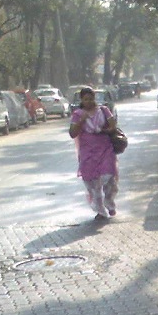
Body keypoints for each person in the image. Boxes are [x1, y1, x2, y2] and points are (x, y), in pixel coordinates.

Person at [69, 87, 119, 220]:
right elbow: (72, 133)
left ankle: (109, 203)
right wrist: (82, 120)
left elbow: (113, 126)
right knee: (92, 182)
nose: (89, 102)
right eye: (86, 99)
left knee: (109, 177)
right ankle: (100, 210)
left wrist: (103, 130)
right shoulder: (78, 114)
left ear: (94, 98)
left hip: (105, 148)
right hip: (88, 152)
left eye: (91, 99)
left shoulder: (103, 110)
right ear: (82, 100)